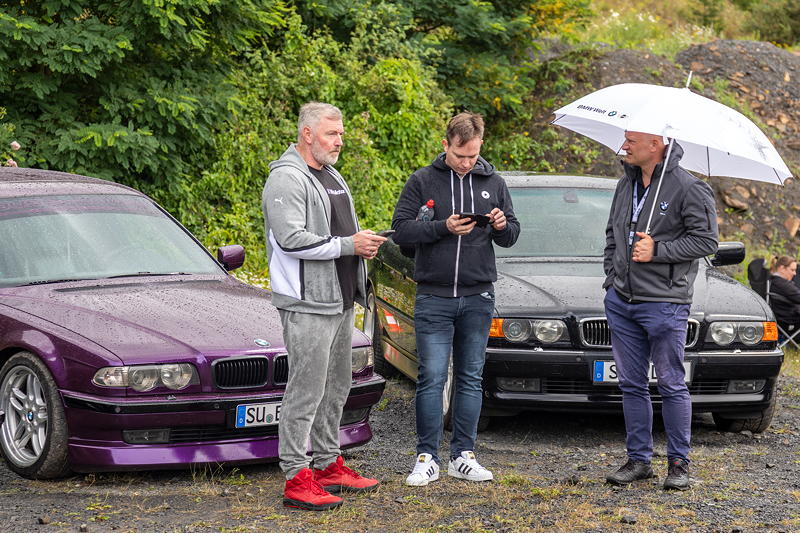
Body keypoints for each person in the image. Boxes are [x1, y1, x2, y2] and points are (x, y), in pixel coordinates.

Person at [262, 102, 387, 511]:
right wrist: (350, 245)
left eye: (341, 133)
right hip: (307, 303)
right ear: (307, 134)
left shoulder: (330, 174)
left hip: (339, 298)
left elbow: (338, 230)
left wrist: (358, 243)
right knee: (306, 389)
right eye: (332, 134)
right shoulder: (286, 178)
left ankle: (328, 464)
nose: (339, 141)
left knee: (337, 387)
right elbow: (289, 239)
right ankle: (297, 476)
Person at [391, 112, 520, 487]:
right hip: (434, 295)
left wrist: (500, 225)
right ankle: (426, 457)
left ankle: (463, 455)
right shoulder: (422, 180)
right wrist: (441, 227)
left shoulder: (493, 181)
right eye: (461, 155)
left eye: (473, 155)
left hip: (478, 295)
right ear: (445, 144)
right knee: (431, 376)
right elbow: (401, 232)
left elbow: (512, 234)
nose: (467, 162)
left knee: (470, 376)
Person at [603, 131, 718, 491]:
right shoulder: (626, 184)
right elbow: (612, 234)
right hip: (622, 301)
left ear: (656, 144)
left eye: (631, 141)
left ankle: (679, 465)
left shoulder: (690, 188)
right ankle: (639, 461)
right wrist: (612, 278)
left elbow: (706, 241)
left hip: (665, 302)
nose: (623, 147)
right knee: (631, 384)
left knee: (670, 382)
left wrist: (658, 250)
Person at [768, 255, 800, 325]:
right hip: (790, 318)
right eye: (792, 270)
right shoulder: (782, 284)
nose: (794, 273)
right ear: (782, 268)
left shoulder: (772, 281)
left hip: (785, 316)